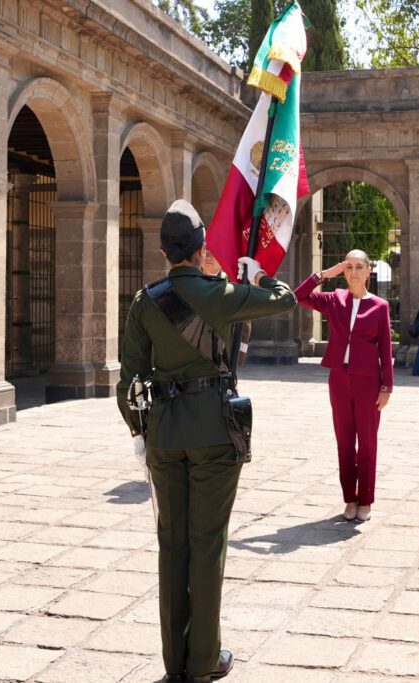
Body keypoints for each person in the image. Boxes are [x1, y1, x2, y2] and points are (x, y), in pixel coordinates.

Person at [117, 200, 296, 683]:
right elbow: (285, 299)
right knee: (207, 544)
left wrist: (138, 431)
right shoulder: (223, 293)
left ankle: (175, 661)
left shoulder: (145, 300)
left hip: (164, 435)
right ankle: (204, 659)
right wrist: (256, 276)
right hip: (215, 430)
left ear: (162, 250)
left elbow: (128, 380)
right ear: (201, 249)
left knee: (171, 546)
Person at [295, 250, 393, 522]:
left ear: (368, 271)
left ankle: (366, 500)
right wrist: (325, 274)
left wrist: (387, 387)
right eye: (349, 267)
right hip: (339, 380)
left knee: (368, 445)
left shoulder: (380, 306)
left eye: (359, 267)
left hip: (369, 383)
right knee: (345, 444)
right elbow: (298, 296)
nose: (353, 272)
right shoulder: (334, 299)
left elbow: (385, 349)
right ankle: (349, 499)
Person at [202, 251, 252, 367]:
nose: (209, 257)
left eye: (213, 253)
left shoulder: (233, 285)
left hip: (223, 356)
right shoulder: (190, 282)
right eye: (206, 252)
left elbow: (245, 324)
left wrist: (236, 357)